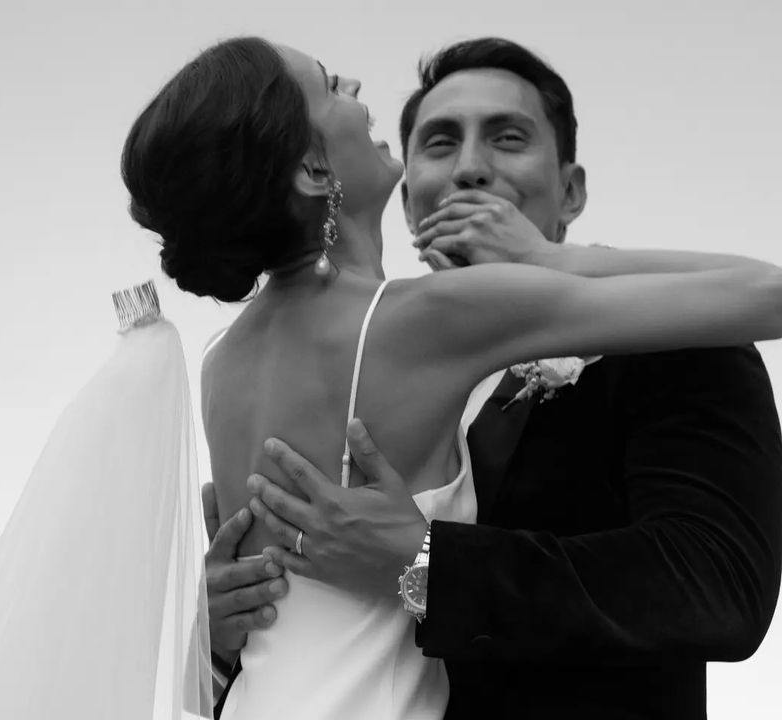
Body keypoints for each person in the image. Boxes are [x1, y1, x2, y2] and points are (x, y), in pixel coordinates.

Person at [220, 37, 782, 719]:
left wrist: (428, 565)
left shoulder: (670, 334)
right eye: (439, 143)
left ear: (570, 190)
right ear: (408, 200)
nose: (470, 168)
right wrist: (224, 631)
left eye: (507, 138)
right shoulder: (340, 376)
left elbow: (717, 586)